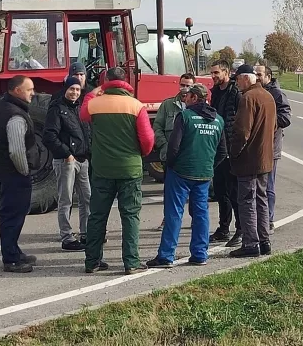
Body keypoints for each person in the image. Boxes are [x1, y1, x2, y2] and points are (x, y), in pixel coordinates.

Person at [80, 67, 155, 275]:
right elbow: (148, 140)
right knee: (130, 215)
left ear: (106, 81)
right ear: (125, 82)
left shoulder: (95, 104)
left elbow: (83, 111)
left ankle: (92, 261)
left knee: (97, 215)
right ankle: (131, 262)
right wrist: (138, 154)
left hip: (102, 169)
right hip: (130, 169)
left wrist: (97, 90)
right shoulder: (135, 105)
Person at [146, 83, 227, 268]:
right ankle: (200, 254)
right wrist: (209, 166)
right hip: (204, 174)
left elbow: (173, 147)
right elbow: (222, 151)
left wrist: (171, 165)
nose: (185, 98)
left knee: (174, 213)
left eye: (188, 95)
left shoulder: (185, 116)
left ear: (195, 98)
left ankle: (166, 256)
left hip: (181, 173)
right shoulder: (218, 120)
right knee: (201, 214)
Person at [0, 75, 43, 273]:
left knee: (11, 214)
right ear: (17, 91)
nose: (33, 93)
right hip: (14, 174)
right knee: (13, 215)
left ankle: (14, 251)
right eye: (29, 90)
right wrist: (24, 171)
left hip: (4, 172)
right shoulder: (15, 115)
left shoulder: (3, 106)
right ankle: (11, 259)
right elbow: (17, 150)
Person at [229, 65, 276, 258]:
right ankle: (264, 241)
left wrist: (233, 153)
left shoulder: (248, 98)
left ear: (245, 79)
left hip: (249, 159)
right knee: (261, 199)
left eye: (237, 79)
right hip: (265, 157)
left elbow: (242, 131)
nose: (237, 83)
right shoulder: (267, 96)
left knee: (247, 201)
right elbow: (274, 127)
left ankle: (250, 243)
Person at [43, 76, 92, 252]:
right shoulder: (57, 109)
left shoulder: (80, 108)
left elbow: (86, 132)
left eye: (78, 90)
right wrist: (66, 153)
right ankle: (67, 236)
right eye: (72, 89)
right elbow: (49, 136)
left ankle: (86, 233)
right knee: (66, 200)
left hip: (82, 160)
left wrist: (88, 152)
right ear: (65, 89)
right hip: (66, 161)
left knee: (87, 198)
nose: (74, 93)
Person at [152, 73, 196, 231]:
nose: (185, 89)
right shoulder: (168, 104)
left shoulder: (197, 105)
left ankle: (194, 220)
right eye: (183, 85)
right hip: (171, 156)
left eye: (188, 85)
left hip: (191, 156)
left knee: (193, 191)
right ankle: (168, 220)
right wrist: (164, 146)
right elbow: (157, 127)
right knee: (170, 191)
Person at [208, 59, 242, 248]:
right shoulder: (215, 93)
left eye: (216, 73)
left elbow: (240, 121)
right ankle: (223, 228)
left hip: (231, 149)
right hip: (217, 148)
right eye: (212, 73)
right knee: (221, 191)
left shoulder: (236, 92)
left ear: (226, 72)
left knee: (234, 191)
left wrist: (235, 147)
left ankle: (241, 229)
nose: (213, 76)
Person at [255, 65, 291, 232]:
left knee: (268, 185)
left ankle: (268, 220)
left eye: (259, 74)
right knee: (255, 186)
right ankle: (257, 219)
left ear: (268, 76)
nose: (257, 77)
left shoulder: (276, 94)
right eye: (255, 74)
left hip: (271, 146)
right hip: (256, 146)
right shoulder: (254, 91)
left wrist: (267, 120)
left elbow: (285, 117)